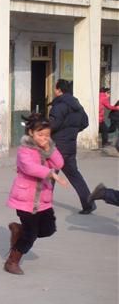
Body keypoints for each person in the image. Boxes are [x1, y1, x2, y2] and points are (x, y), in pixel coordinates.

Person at [4, 114, 68, 275]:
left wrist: (49, 149)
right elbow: (29, 167)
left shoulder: (47, 148)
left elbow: (59, 163)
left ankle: (19, 230)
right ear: (31, 133)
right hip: (25, 200)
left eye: (47, 135)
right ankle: (12, 261)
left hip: (43, 199)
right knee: (30, 234)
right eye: (40, 134)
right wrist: (50, 173)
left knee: (49, 229)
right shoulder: (24, 150)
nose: (44, 138)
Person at [49, 79, 94, 214]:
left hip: (57, 146)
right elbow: (85, 122)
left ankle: (43, 207)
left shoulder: (59, 106)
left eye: (55, 88)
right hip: (70, 146)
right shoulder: (77, 105)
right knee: (75, 176)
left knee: (49, 176)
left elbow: (53, 125)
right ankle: (89, 204)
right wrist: (72, 131)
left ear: (59, 90)